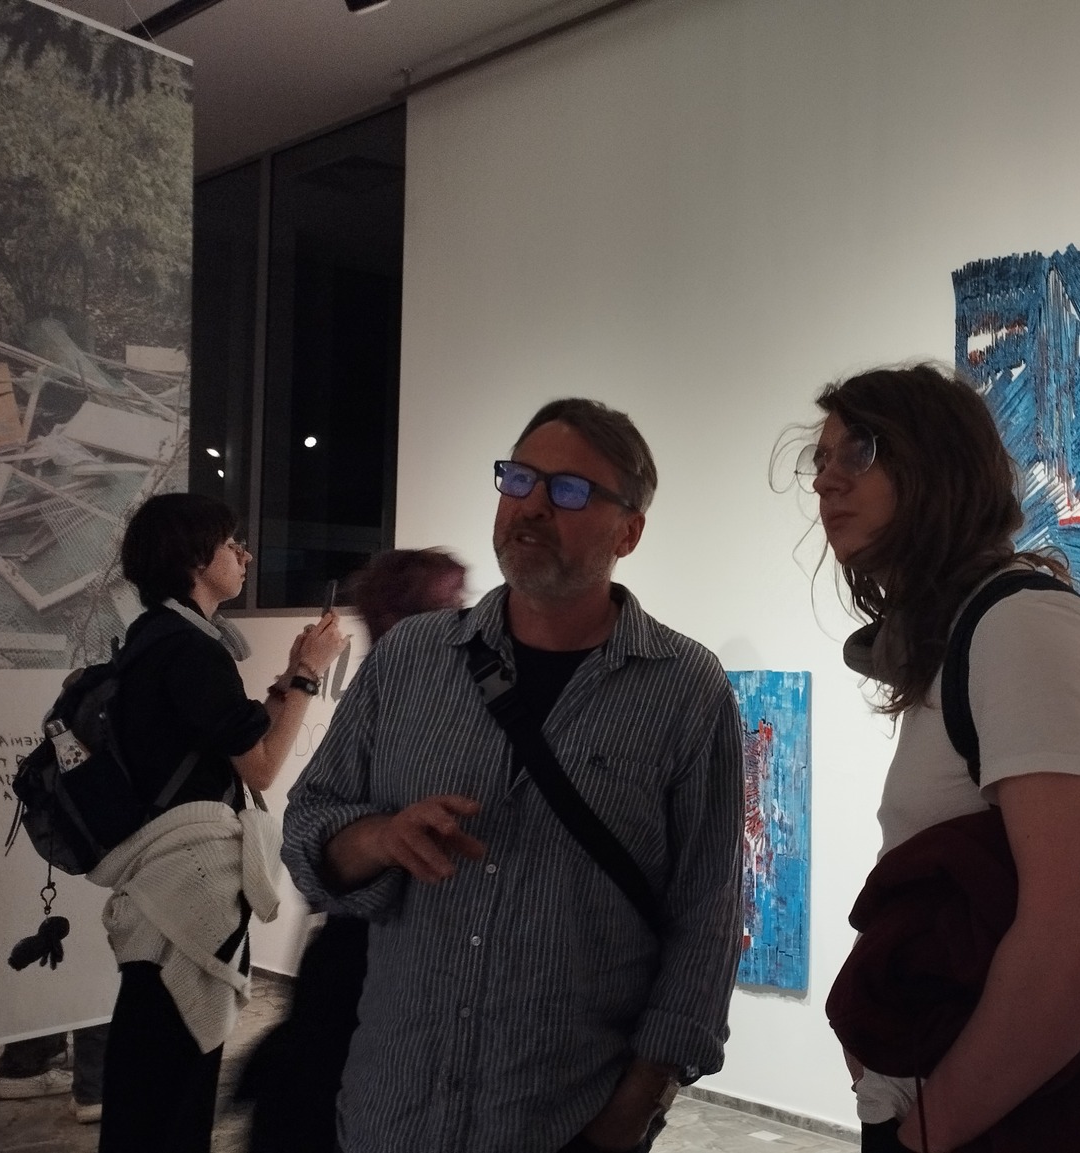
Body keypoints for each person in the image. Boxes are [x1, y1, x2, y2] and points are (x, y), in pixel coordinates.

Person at [282, 398, 743, 1153]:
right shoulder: (410, 659)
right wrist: (380, 838)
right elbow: (308, 827)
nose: (531, 505)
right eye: (519, 478)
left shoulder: (685, 689)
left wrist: (630, 1115)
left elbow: (709, 920)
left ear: (628, 531)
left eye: (569, 490)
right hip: (392, 1115)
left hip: (562, 1123)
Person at [801, 365, 1080, 1151]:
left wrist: (929, 1131)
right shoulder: (967, 633)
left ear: (937, 464)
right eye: (818, 460)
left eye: (858, 451)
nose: (825, 480)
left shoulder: (1021, 628)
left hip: (1017, 1124)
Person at [94, 492, 346, 1153]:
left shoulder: (158, 637)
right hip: (184, 889)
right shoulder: (190, 650)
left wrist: (291, 673)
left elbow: (233, 734)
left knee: (150, 1067)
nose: (245, 554)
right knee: (172, 1079)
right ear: (193, 560)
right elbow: (260, 768)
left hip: (160, 882)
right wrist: (310, 676)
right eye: (231, 544)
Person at [241, 548, 470, 1153]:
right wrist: (303, 673)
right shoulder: (404, 695)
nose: (465, 615)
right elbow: (278, 788)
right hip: (368, 949)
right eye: (450, 601)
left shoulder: (431, 691)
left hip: (374, 951)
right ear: (400, 616)